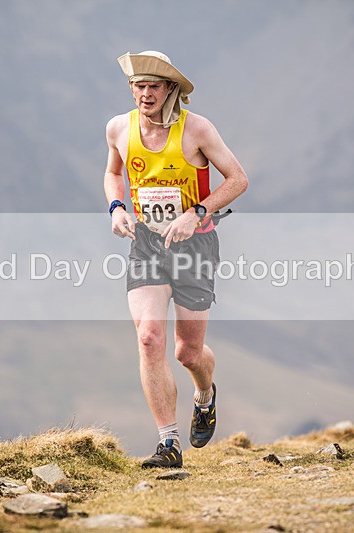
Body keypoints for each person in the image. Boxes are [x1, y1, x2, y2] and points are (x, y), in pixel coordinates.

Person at [103, 51, 248, 468]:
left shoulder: (197, 129)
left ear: (170, 89)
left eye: (153, 86)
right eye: (138, 86)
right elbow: (114, 174)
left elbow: (238, 178)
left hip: (195, 247)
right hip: (146, 243)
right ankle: (168, 443)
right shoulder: (118, 128)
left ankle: (205, 396)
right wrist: (116, 208)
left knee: (188, 352)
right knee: (149, 337)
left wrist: (195, 212)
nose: (145, 94)